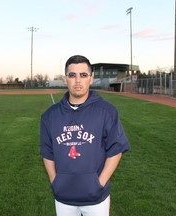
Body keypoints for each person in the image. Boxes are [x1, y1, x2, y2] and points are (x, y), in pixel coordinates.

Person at [40, 55, 130, 216]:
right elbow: (47, 153)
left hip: (96, 198)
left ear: (91, 78)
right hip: (63, 197)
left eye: (83, 75)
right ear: (65, 79)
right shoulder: (50, 116)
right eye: (72, 75)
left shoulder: (107, 111)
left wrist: (99, 183)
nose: (78, 80)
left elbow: (115, 150)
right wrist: (56, 182)